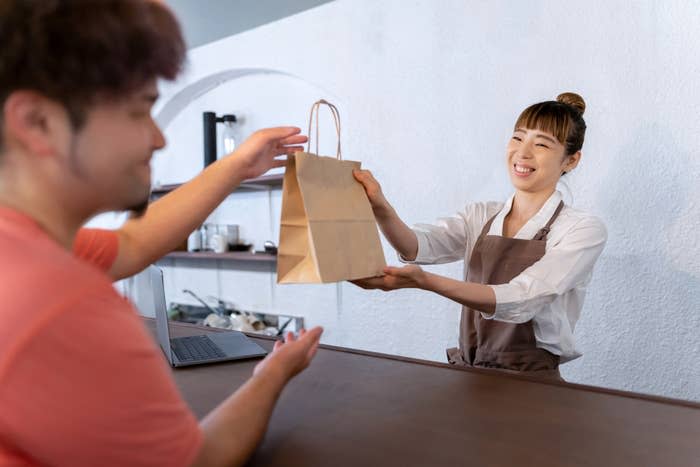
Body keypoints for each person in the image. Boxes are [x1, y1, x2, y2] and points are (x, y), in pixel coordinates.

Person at [0, 1, 322, 466]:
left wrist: (235, 166)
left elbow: (133, 244)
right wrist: (272, 375)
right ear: (36, 121)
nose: (159, 138)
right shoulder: (59, 299)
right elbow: (199, 460)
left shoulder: (27, 246)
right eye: (139, 111)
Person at [352, 93, 607, 380]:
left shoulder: (581, 229)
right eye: (518, 138)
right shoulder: (481, 215)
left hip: (533, 385)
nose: (523, 153)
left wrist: (424, 281)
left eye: (541, 144)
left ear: (571, 160)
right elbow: (417, 246)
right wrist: (379, 205)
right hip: (469, 376)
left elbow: (522, 298)